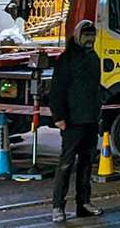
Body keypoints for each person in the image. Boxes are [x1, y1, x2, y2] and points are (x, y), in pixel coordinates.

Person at [49, 19, 104, 223]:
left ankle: (84, 203)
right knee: (66, 164)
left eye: (93, 36)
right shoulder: (67, 59)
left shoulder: (94, 58)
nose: (90, 40)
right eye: (87, 36)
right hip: (72, 120)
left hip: (90, 118)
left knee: (86, 163)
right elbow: (57, 90)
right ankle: (58, 206)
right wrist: (59, 117)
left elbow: (95, 87)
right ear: (79, 36)